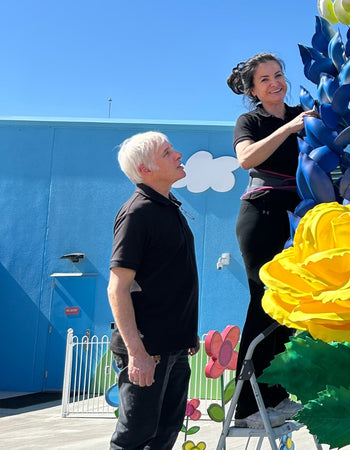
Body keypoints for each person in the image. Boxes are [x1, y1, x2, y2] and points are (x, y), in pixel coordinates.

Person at [227, 52, 316, 429]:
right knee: (265, 302)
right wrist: (286, 129)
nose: (274, 82)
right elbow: (245, 159)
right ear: (252, 90)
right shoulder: (251, 120)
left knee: (290, 306)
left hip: (299, 219)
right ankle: (247, 405)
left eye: (278, 74)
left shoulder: (304, 112)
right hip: (261, 216)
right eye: (264, 79)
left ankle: (275, 395)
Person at [107, 131, 200, 449]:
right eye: (167, 152)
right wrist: (137, 353)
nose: (178, 155)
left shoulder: (170, 208)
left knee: (165, 433)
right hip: (149, 353)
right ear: (145, 169)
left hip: (175, 348)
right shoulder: (138, 213)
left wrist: (188, 332)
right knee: (134, 437)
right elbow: (117, 288)